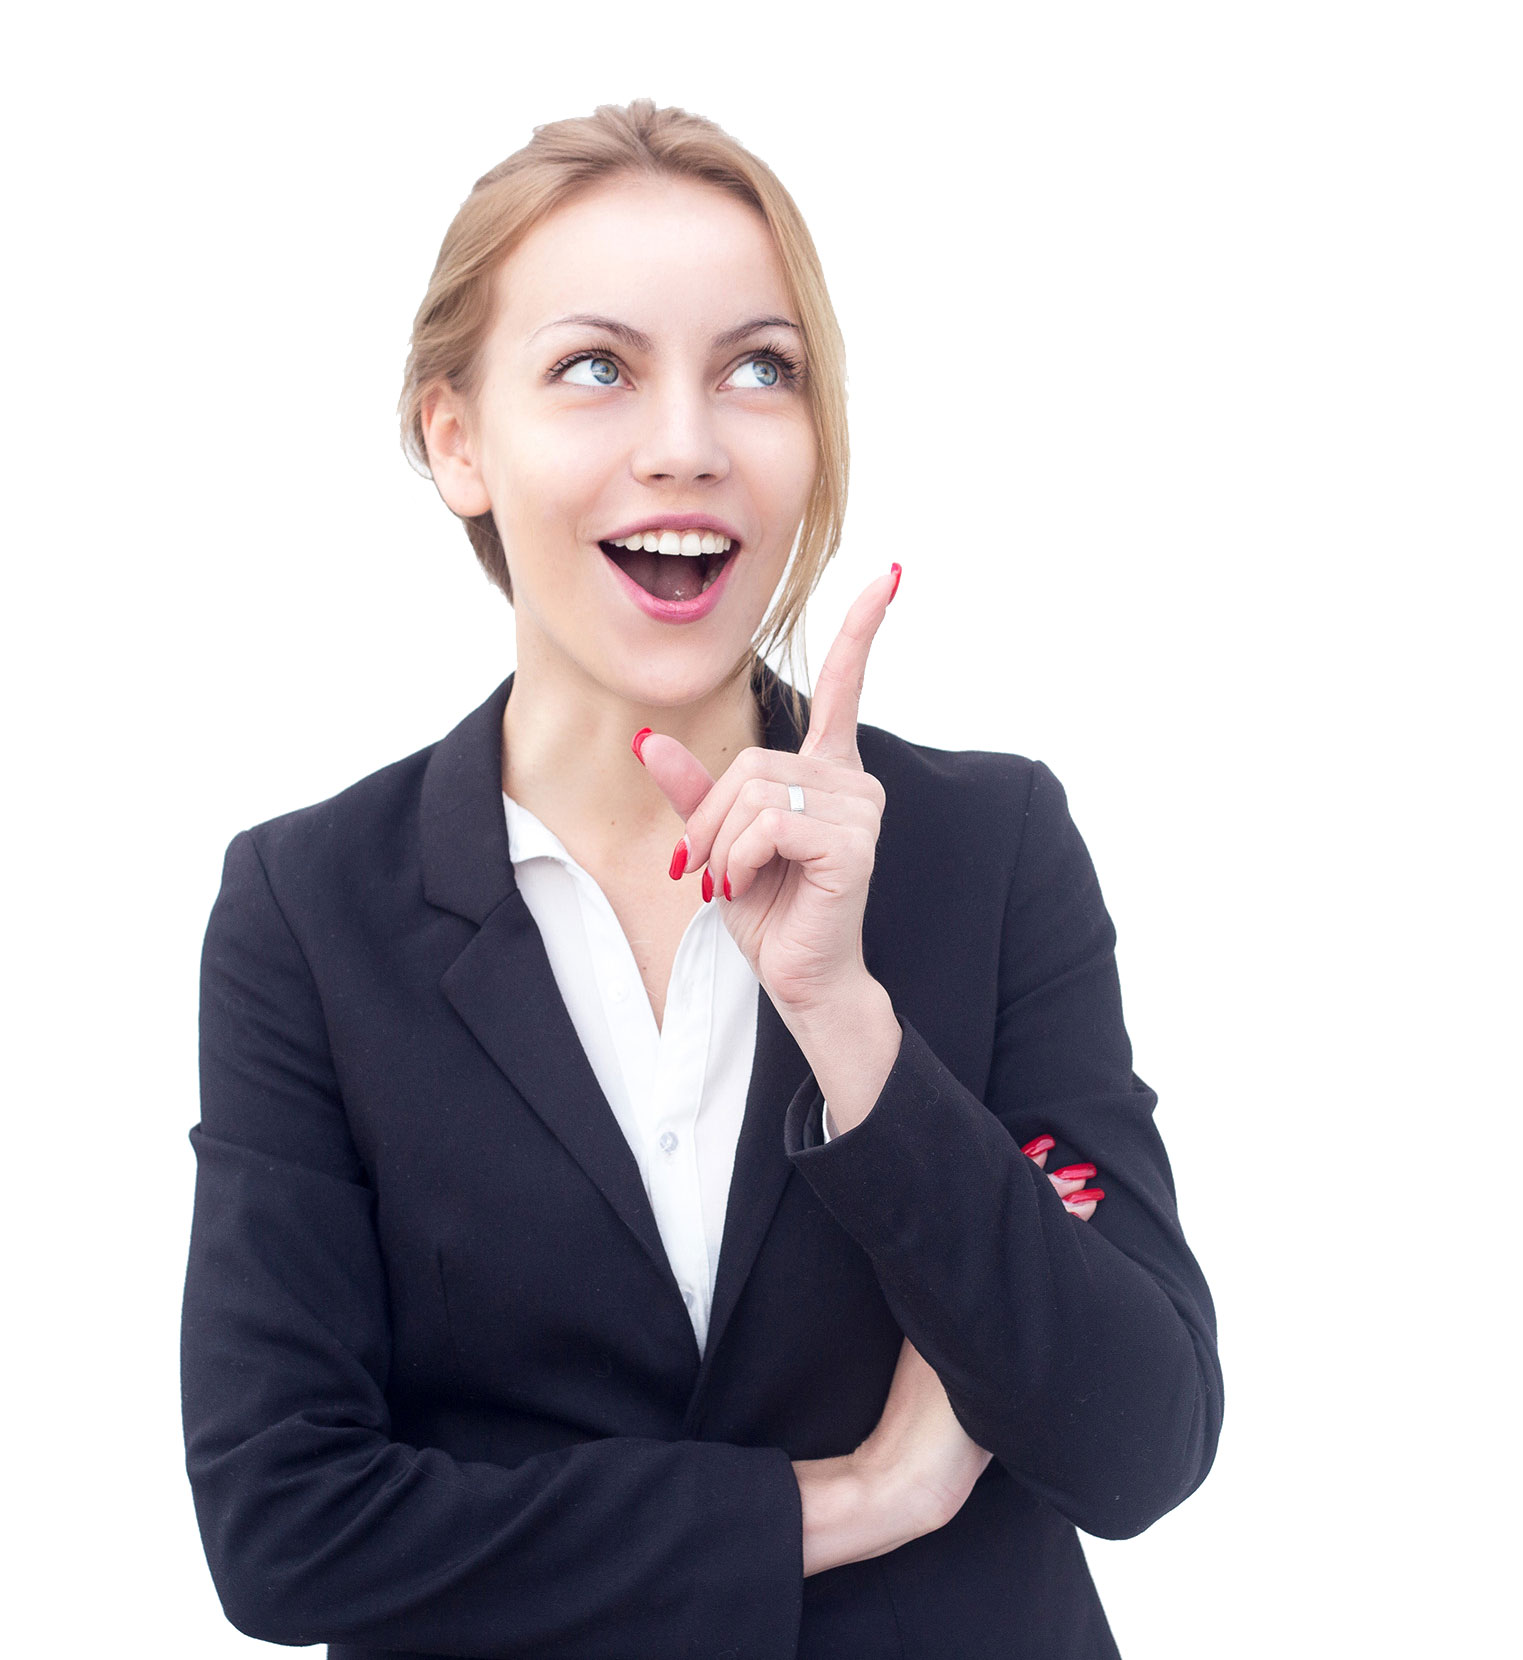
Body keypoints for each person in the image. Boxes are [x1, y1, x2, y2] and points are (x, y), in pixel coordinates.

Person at [180, 99, 1221, 1659]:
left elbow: (1141, 1443)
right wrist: (847, 1502)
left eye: (759, 369)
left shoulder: (986, 849)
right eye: (595, 368)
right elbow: (286, 1529)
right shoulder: (311, 911)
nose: (689, 443)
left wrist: (848, 1022)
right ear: (457, 439)